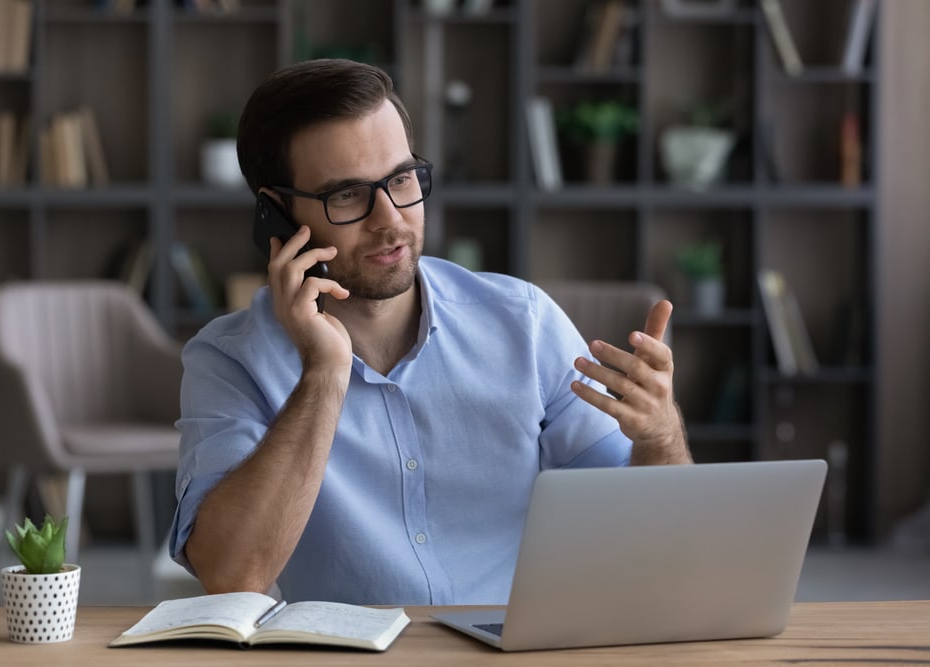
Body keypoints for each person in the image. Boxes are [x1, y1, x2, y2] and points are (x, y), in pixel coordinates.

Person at [169, 59, 692, 606]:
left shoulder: (523, 323)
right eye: (346, 195)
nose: (390, 219)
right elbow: (232, 576)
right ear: (275, 216)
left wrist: (659, 439)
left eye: (401, 179)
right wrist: (324, 374)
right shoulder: (230, 361)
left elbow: (645, 538)